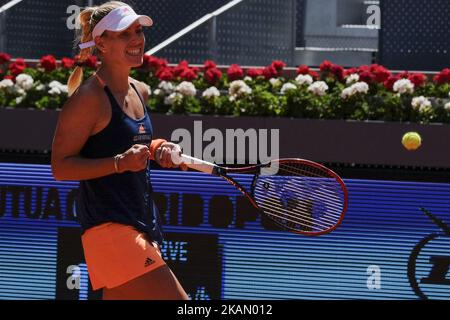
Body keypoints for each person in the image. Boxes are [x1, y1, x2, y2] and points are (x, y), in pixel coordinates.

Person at [51, 1, 189, 300]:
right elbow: (61, 167)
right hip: (111, 231)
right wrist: (118, 163)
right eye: (125, 33)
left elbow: (131, 144)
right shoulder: (87, 99)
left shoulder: (141, 89)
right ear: (101, 42)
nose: (137, 39)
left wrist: (159, 147)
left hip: (139, 224)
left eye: (138, 31)